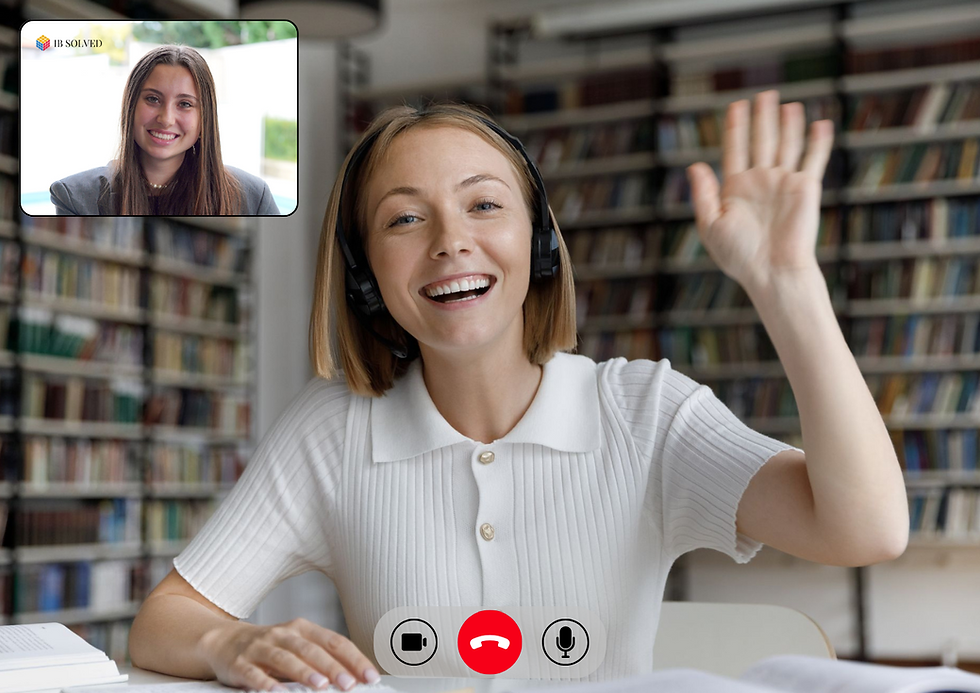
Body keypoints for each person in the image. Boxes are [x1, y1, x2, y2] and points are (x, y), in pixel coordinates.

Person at [128, 93, 909, 690]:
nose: (449, 240)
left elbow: (866, 529)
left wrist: (788, 284)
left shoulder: (645, 413)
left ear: (537, 241)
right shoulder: (332, 432)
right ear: (365, 275)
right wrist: (231, 642)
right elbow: (163, 622)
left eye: (484, 203)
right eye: (404, 218)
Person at [49, 45, 279, 216]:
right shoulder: (74, 197)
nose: (166, 119)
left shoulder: (253, 197)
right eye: (152, 99)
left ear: (204, 119)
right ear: (130, 107)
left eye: (185, 104)